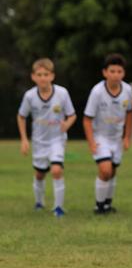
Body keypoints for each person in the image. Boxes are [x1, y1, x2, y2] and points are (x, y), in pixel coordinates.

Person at [17, 58, 77, 217]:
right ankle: (39, 202)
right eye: (39, 74)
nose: (43, 77)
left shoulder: (62, 93)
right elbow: (21, 116)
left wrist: (67, 124)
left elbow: (72, 115)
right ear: (33, 77)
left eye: (46, 74)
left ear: (52, 76)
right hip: (39, 141)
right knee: (39, 174)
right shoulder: (30, 96)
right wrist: (24, 139)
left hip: (57, 140)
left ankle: (58, 208)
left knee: (57, 170)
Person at [82, 53, 132, 214]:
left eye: (119, 71)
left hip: (116, 138)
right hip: (101, 137)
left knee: (113, 170)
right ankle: (98, 206)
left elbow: (130, 113)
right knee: (105, 170)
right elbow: (87, 119)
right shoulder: (97, 92)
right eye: (112, 71)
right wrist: (91, 142)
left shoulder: (127, 90)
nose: (116, 75)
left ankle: (107, 204)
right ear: (105, 72)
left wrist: (126, 137)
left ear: (123, 73)